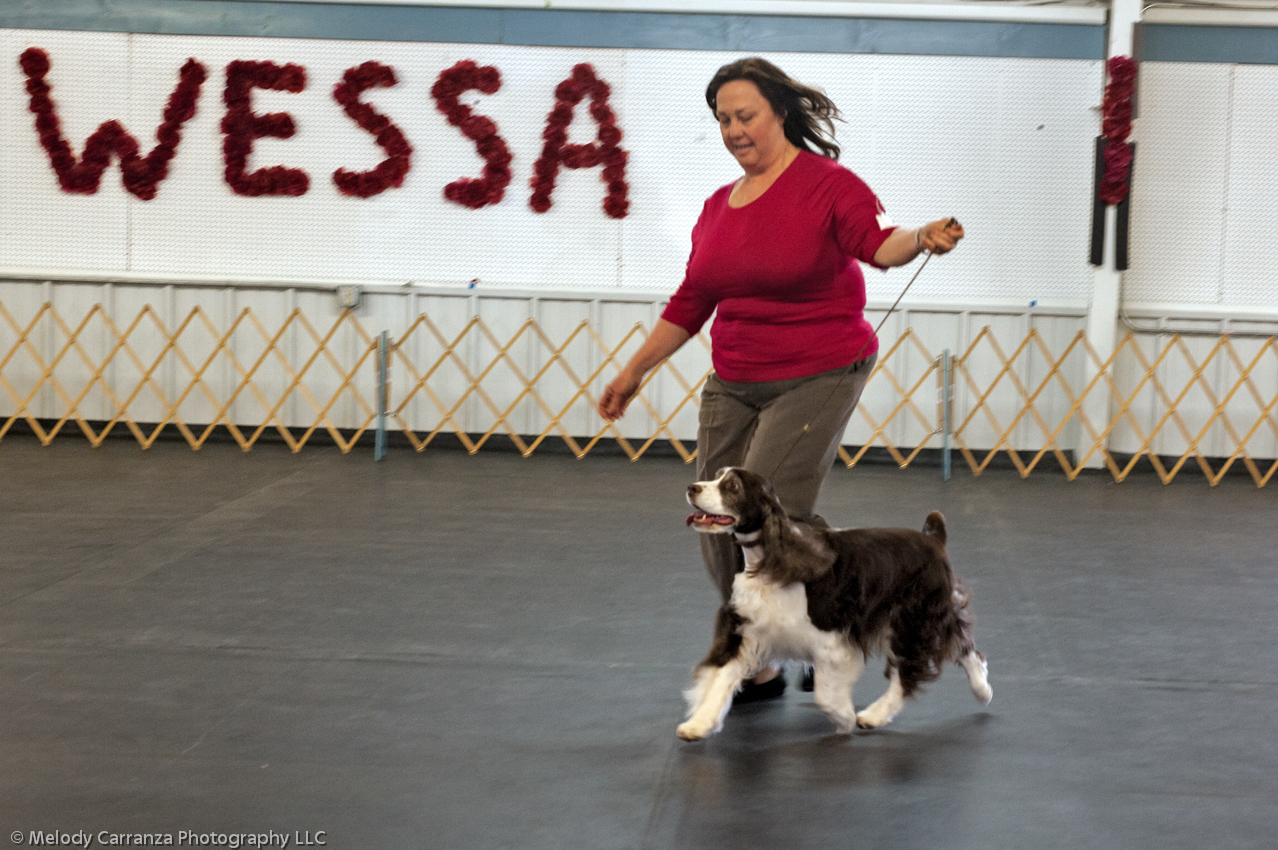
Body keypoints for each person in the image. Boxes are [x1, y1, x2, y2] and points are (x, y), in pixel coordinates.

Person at [597, 57, 964, 701]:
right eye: (722, 120)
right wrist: (632, 371)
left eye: (747, 116)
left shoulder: (829, 186)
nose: (735, 129)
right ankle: (766, 663)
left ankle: (828, 632)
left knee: (772, 516)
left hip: (819, 371)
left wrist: (923, 236)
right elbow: (692, 300)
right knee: (717, 522)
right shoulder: (716, 207)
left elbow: (879, 244)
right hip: (734, 376)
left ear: (782, 114)